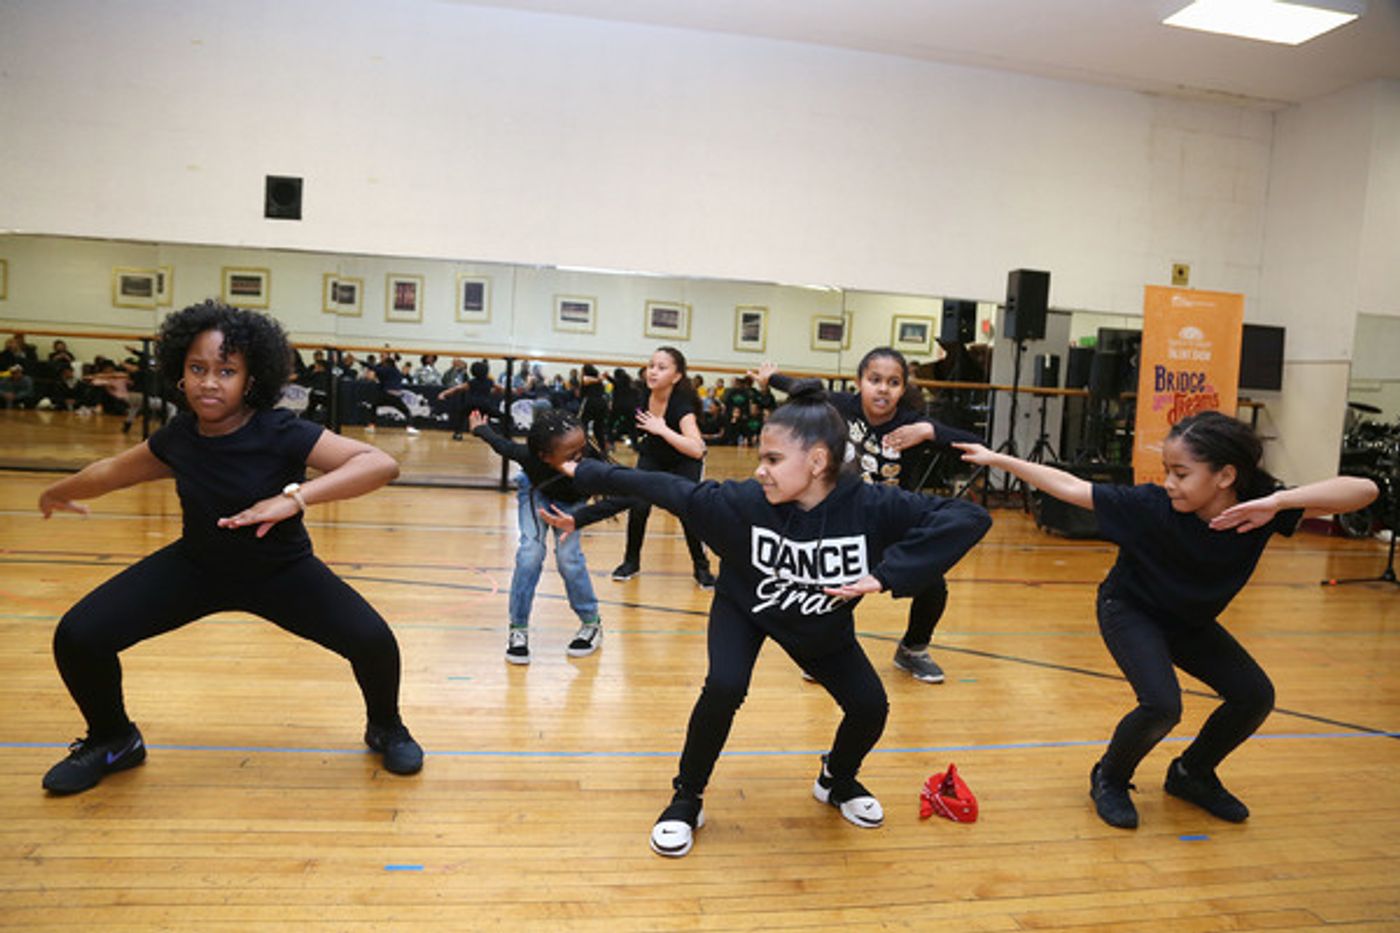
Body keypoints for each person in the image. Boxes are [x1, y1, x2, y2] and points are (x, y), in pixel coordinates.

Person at [548, 381, 991, 856]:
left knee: (870, 706)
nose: (761, 470)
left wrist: (885, 576)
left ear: (818, 461)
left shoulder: (872, 507)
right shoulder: (742, 503)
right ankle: (686, 797)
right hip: (747, 608)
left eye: (774, 460)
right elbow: (663, 487)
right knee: (724, 686)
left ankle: (836, 779)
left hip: (817, 625)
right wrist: (588, 472)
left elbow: (968, 518)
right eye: (762, 457)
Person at [36, 300, 424, 795]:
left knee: (373, 641)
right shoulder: (179, 438)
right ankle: (114, 740)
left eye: (226, 370)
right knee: (78, 636)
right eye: (198, 368)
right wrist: (61, 490)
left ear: (251, 379)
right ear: (180, 373)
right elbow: (111, 471)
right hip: (196, 568)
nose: (209, 382)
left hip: (281, 571)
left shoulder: (281, 430)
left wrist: (295, 498)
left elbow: (378, 463)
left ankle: (385, 726)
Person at [956, 410, 1378, 829]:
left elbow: (1365, 491)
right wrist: (1000, 460)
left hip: (1188, 620)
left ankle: (1191, 774)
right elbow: (1071, 487)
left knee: (1254, 695)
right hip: (1130, 608)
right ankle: (1110, 777)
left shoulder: (1261, 505)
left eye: (1181, 473)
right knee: (1161, 704)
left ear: (1225, 476)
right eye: (1167, 471)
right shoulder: (1150, 506)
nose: (1169, 483)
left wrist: (1280, 501)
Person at [755, 349, 982, 684]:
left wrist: (928, 432)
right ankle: (824, 654)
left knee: (933, 585)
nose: (883, 389)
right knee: (836, 591)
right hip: (845, 519)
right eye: (874, 380)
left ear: (903, 389)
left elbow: (975, 445)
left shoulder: (911, 423)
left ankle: (913, 649)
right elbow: (803, 389)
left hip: (893, 518)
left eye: (893, 383)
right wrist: (770, 379)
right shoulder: (841, 407)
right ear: (859, 382)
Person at [467, 408, 632, 663]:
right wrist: (480, 429)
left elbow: (627, 494)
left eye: (583, 447)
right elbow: (502, 445)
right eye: (572, 454)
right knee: (529, 554)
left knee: (569, 558)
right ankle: (518, 630)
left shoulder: (591, 465)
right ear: (544, 456)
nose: (582, 456)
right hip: (537, 494)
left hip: (573, 504)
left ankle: (591, 624)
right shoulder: (529, 457)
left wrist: (579, 518)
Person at [610, 347, 715, 589]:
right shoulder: (642, 395)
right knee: (638, 505)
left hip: (684, 459)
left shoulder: (682, 406)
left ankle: (702, 567)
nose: (653, 372)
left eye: (662, 367)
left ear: (677, 376)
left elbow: (698, 449)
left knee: (689, 510)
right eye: (651, 366)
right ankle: (631, 562)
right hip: (654, 456)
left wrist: (663, 430)